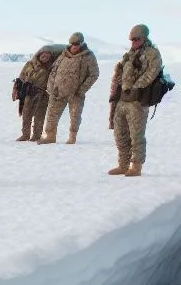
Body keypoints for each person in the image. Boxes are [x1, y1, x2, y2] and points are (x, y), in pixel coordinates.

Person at [108, 25, 164, 177]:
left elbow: (152, 72)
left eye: (137, 39)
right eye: (132, 39)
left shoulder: (152, 53)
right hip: (122, 100)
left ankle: (136, 166)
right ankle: (123, 164)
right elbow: (122, 74)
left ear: (144, 38)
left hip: (138, 100)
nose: (133, 42)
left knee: (136, 135)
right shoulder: (130, 54)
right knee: (120, 134)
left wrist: (135, 87)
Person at [39, 32, 99, 144]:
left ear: (81, 43)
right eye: (72, 43)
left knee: (75, 116)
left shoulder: (88, 56)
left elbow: (94, 74)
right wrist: (51, 87)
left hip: (75, 93)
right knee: (52, 114)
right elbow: (54, 71)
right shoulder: (64, 54)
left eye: (76, 44)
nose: (74, 46)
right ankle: (50, 136)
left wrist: (82, 89)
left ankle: (72, 137)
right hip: (58, 91)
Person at [13, 47, 56, 142]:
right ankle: (25, 135)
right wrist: (16, 89)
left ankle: (36, 136)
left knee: (39, 116)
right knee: (26, 114)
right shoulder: (29, 64)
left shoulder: (51, 67)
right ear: (39, 54)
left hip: (43, 94)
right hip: (28, 93)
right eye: (43, 55)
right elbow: (21, 77)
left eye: (48, 56)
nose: (45, 57)